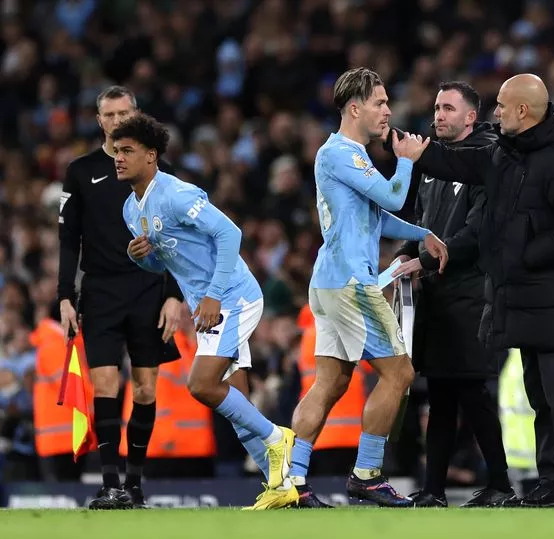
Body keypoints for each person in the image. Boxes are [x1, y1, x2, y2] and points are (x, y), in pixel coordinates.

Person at [386, 73, 554, 508]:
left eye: (502, 105)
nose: (495, 111)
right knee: (540, 394)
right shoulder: (508, 154)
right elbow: (461, 165)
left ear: (523, 110)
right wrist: (419, 154)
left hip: (551, 295)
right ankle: (551, 480)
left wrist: (526, 254)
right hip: (522, 297)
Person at [114, 114, 297, 510]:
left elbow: (230, 233)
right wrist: (140, 259)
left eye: (127, 150)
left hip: (233, 296)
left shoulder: (176, 194)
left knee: (201, 385)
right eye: (116, 150)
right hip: (208, 308)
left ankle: (276, 437)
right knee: (237, 404)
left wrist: (213, 296)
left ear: (151, 156)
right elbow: (166, 265)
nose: (118, 157)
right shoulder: (132, 210)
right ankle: (282, 485)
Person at [285, 67, 448, 508]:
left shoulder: (345, 155)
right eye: (379, 102)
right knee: (400, 373)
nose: (388, 111)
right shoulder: (343, 153)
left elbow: (376, 216)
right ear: (354, 108)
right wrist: (409, 160)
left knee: (331, 382)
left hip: (330, 282)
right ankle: (367, 475)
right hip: (352, 285)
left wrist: (420, 233)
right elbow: (394, 196)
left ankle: (292, 481)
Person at [57, 86, 185, 509]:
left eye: (123, 112)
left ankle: (134, 482)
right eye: (108, 114)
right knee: (105, 382)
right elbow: (68, 238)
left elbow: (178, 240)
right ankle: (110, 483)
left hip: (148, 290)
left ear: (136, 114)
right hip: (100, 292)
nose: (116, 121)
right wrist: (64, 295)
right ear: (99, 120)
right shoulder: (80, 171)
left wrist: (173, 295)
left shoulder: (156, 168)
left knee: (146, 390)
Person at [393, 81, 514, 508]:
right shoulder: (433, 165)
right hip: (437, 298)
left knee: (472, 391)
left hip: (471, 294)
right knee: (442, 393)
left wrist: (423, 263)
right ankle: (433, 489)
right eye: (436, 107)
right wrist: (402, 258)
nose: (438, 115)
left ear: (470, 117)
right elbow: (420, 223)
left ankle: (500, 484)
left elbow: (476, 234)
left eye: (448, 108)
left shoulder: (486, 160)